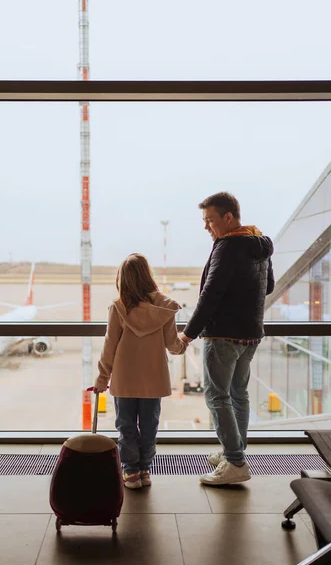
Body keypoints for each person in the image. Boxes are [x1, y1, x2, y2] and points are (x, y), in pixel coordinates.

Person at [179, 192, 274, 486]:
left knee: (217, 396)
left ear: (228, 218)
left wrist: (187, 333)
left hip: (223, 334)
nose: (207, 227)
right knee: (238, 395)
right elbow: (267, 286)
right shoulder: (259, 244)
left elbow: (211, 294)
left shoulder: (227, 246)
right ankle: (235, 452)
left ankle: (234, 462)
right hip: (250, 334)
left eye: (210, 220)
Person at [94, 253, 187, 489]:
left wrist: (102, 378)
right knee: (149, 427)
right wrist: (184, 343)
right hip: (154, 379)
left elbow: (109, 346)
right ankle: (145, 470)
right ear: (148, 276)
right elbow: (172, 345)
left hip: (125, 379)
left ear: (122, 280)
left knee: (126, 427)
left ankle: (131, 472)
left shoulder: (119, 308)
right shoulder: (164, 307)